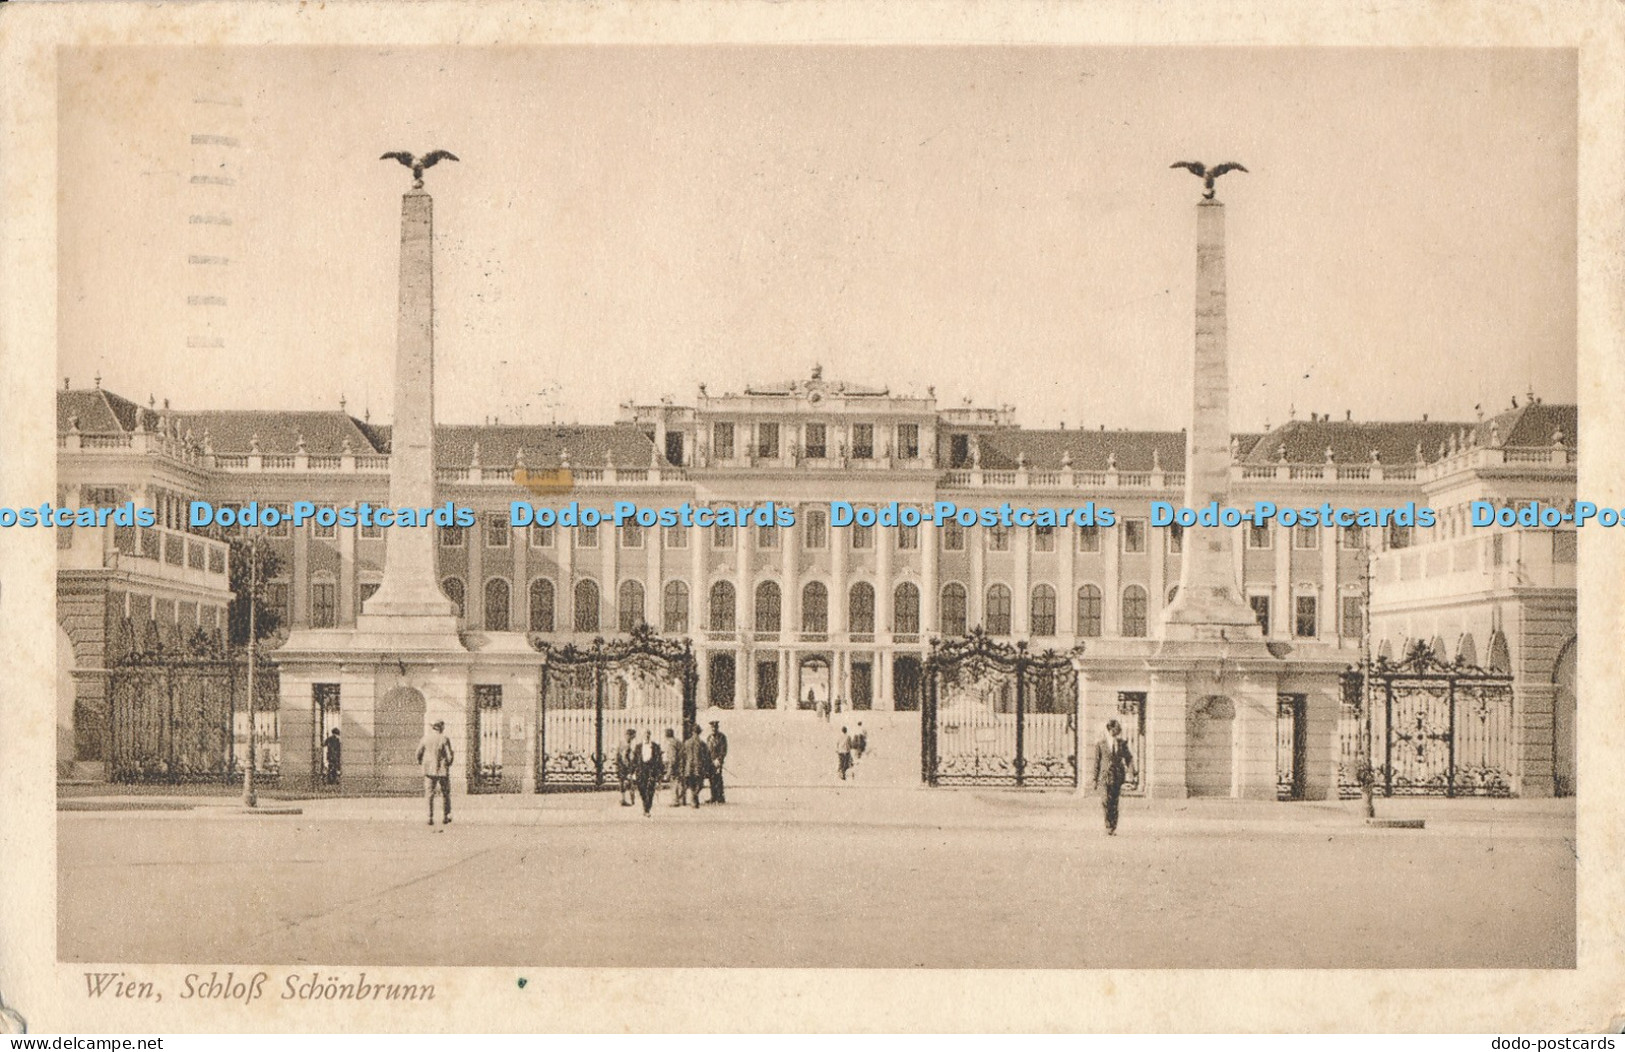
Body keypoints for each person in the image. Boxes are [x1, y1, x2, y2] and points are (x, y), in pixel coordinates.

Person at [1091, 719, 1137, 836]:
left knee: (1114, 802)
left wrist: (1132, 771)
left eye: (1119, 729)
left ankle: (1112, 826)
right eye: (1116, 729)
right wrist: (1094, 779)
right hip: (1104, 776)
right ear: (1110, 729)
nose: (1118, 731)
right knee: (1105, 800)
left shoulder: (1122, 743)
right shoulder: (1100, 744)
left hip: (1117, 776)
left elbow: (1129, 758)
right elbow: (1097, 762)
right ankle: (1108, 825)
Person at [417, 719, 455, 827]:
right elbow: (449, 756)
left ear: (433, 727)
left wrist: (422, 763)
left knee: (429, 794)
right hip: (442, 770)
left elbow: (418, 753)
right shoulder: (444, 739)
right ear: (441, 727)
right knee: (445, 794)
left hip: (429, 770)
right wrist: (448, 764)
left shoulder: (425, 738)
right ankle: (446, 816)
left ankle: (429, 817)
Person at [678, 724, 711, 809]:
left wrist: (683, 767)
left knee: (692, 784)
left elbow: (682, 756)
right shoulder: (702, 743)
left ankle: (694, 797)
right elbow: (706, 757)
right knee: (699, 784)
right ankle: (694, 797)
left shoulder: (687, 742)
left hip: (689, 768)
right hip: (698, 768)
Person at [632, 729, 662, 817]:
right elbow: (634, 760)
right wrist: (632, 771)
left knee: (650, 789)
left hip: (651, 771)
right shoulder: (638, 747)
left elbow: (659, 760)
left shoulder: (655, 746)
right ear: (643, 736)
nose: (647, 736)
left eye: (648, 734)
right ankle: (645, 803)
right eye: (645, 734)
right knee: (642, 789)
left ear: (650, 735)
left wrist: (659, 772)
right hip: (641, 771)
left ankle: (647, 809)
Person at [705, 720, 729, 804]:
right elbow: (707, 750)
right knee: (711, 779)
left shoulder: (722, 737)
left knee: (718, 778)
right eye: (712, 728)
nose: (713, 729)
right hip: (710, 762)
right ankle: (713, 796)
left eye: (715, 727)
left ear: (717, 728)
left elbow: (724, 749)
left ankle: (720, 797)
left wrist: (719, 759)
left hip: (718, 761)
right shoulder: (709, 738)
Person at [615, 728, 638, 807]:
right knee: (628, 781)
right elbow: (624, 756)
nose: (633, 738)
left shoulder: (622, 742)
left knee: (623, 782)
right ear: (629, 735)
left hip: (619, 765)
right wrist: (628, 766)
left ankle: (624, 799)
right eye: (633, 736)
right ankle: (627, 799)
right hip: (623, 766)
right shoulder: (626, 744)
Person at [663, 727, 683, 806]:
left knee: (674, 782)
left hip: (675, 765)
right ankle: (681, 799)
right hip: (681, 764)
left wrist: (669, 769)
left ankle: (675, 801)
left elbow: (672, 758)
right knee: (679, 782)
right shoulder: (677, 741)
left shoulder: (670, 743)